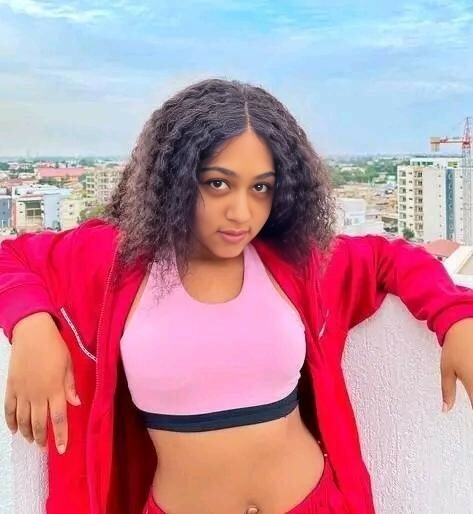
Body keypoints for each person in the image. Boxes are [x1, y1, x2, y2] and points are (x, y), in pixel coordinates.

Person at [1, 78, 473, 514]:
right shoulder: (110, 261)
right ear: (174, 178)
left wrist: (456, 318)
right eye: (218, 183)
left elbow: (389, 258)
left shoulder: (295, 263)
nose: (242, 212)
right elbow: (10, 257)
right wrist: (32, 328)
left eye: (261, 187)